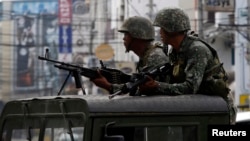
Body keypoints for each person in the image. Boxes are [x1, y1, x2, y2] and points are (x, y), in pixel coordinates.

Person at [138, 7, 237, 124]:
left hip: (218, 110)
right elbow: (173, 82)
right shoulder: (174, 51)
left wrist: (157, 86)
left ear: (172, 30)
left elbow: (190, 87)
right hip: (197, 106)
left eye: (162, 28)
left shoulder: (197, 50)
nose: (160, 32)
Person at [90, 16, 169, 95]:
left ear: (137, 36)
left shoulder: (155, 57)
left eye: (126, 35)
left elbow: (139, 91)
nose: (124, 39)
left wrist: (108, 86)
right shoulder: (146, 57)